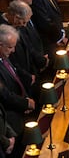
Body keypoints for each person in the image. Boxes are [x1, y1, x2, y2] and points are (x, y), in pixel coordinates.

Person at [0, 24, 36, 157]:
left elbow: (15, 75)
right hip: (10, 122)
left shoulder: (4, 57)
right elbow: (4, 95)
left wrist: (25, 99)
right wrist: (25, 103)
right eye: (10, 47)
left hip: (19, 115)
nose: (13, 51)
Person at [29, 0, 66, 73]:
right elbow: (43, 20)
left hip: (53, 39)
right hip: (45, 43)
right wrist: (60, 36)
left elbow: (54, 12)